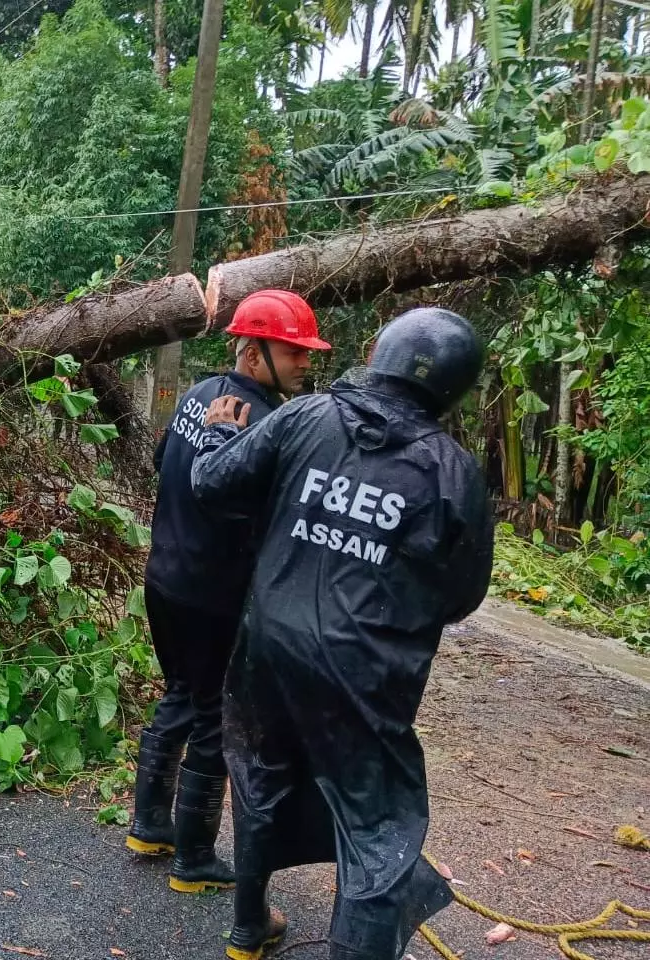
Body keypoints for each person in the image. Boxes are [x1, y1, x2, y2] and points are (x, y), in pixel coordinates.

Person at [190, 307, 494, 960]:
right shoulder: (450, 471)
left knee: (259, 776)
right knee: (375, 826)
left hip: (267, 647)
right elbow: (461, 594)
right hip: (363, 672)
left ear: (378, 352)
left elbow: (212, 485)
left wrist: (216, 437)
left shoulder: (304, 417)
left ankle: (247, 927)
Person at [126, 290, 331, 896]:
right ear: (252, 350)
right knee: (216, 715)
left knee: (182, 696)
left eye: (305, 351)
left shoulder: (196, 396)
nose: (303, 363)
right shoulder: (265, 425)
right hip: (214, 594)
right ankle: (193, 858)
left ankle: (149, 825)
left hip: (166, 577)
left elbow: (166, 461)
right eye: (292, 351)